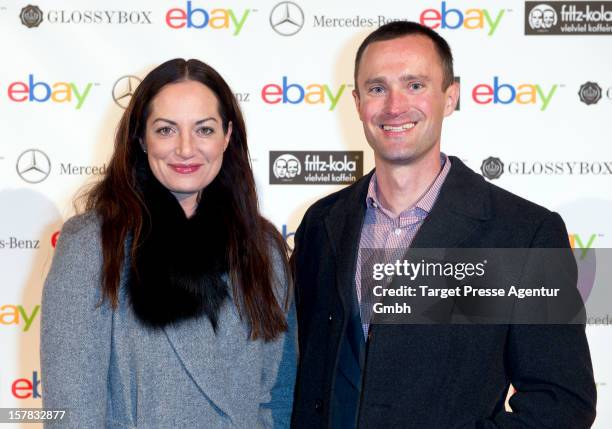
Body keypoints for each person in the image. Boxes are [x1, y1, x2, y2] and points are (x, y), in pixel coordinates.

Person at [290, 22, 596, 428]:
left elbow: (562, 401)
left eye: (414, 85)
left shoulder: (523, 235)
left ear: (450, 97)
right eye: (377, 88)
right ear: (357, 102)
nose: (394, 106)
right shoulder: (322, 222)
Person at [41, 58, 296, 428]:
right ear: (141, 138)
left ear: (228, 135)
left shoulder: (264, 248)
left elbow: (279, 395)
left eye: (204, 129)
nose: (186, 148)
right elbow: (72, 412)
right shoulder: (94, 245)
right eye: (166, 130)